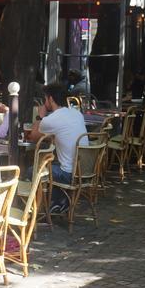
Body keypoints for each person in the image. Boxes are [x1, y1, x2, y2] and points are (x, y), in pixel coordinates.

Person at [30, 82, 88, 214]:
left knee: (33, 170)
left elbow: (34, 136)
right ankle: (60, 202)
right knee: (52, 163)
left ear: (50, 99)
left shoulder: (51, 119)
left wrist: (40, 116)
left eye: (45, 99)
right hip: (85, 170)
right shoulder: (77, 114)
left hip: (69, 174)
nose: (45, 102)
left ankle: (46, 206)